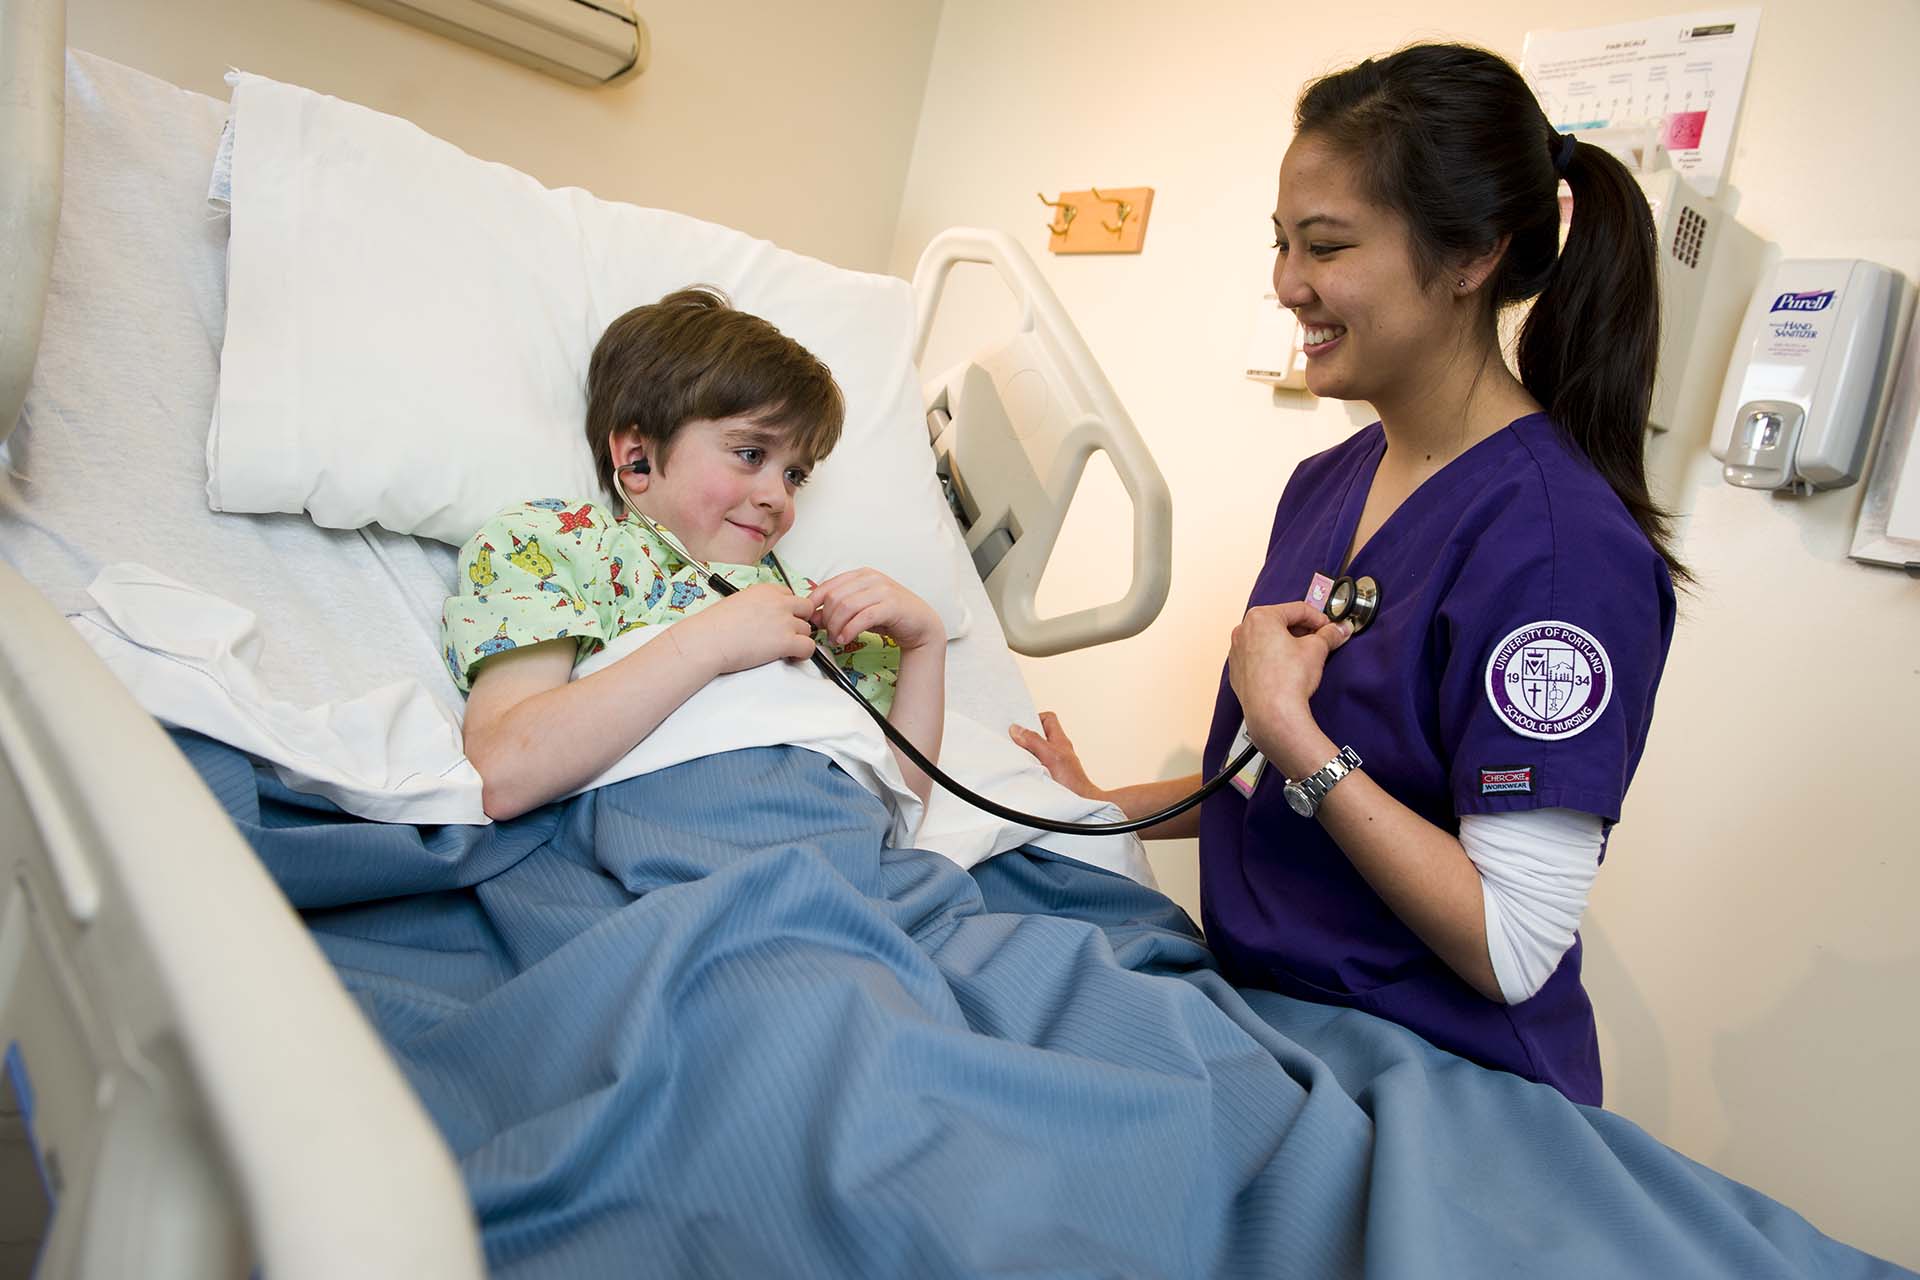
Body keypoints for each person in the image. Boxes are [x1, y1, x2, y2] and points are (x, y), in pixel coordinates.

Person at [1012, 43, 1678, 1105]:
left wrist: (1297, 738)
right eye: (1281, 244)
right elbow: (1268, 783)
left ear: (1470, 256)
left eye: (1324, 246)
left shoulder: (1561, 553)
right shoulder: (1332, 479)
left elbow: (1509, 942)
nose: (1286, 285)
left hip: (1440, 1080)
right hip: (1280, 1030)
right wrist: (1103, 808)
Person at [442, 288, 946, 822]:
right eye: (751, 454)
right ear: (636, 458)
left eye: (795, 475)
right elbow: (503, 772)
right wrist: (712, 642)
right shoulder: (559, 543)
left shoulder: (807, 605)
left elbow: (897, 803)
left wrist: (925, 645)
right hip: (671, 829)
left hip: (830, 837)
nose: (777, 496)